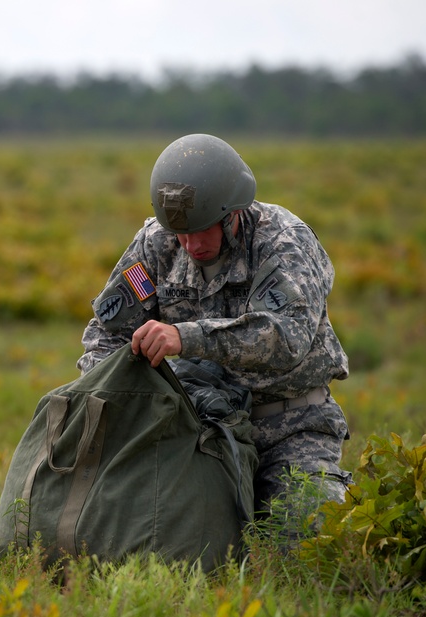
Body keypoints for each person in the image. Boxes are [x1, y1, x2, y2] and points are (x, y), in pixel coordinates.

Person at [77, 133, 351, 532]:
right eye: (180, 233)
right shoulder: (156, 243)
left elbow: (285, 337)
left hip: (291, 427)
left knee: (301, 547)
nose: (190, 244)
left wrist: (184, 337)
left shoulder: (283, 240)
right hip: (197, 429)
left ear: (231, 213)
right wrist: (111, 399)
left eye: (202, 229)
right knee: (165, 543)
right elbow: (106, 333)